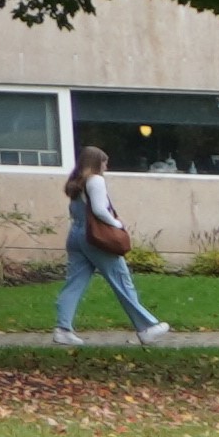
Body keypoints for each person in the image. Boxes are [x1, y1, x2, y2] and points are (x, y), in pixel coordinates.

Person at [53, 142, 171, 338]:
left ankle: (62, 329)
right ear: (97, 163)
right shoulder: (95, 180)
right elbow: (99, 210)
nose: (106, 167)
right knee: (122, 280)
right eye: (104, 163)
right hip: (94, 237)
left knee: (74, 283)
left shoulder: (76, 183)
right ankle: (146, 328)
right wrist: (116, 224)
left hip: (75, 235)